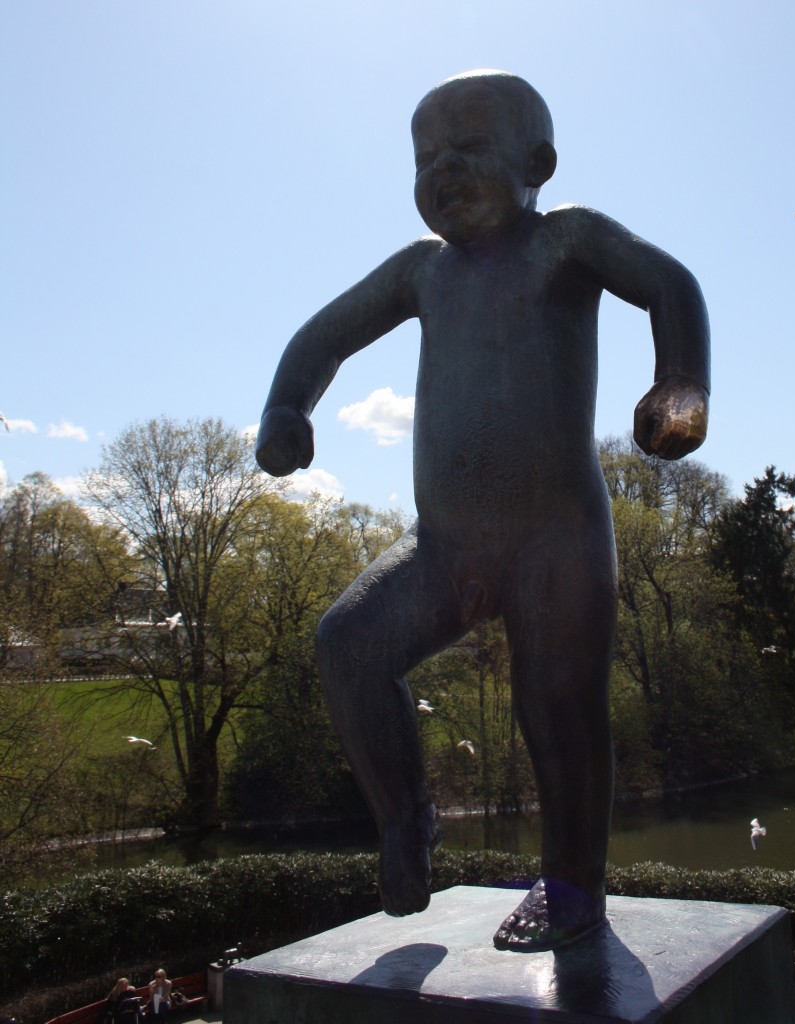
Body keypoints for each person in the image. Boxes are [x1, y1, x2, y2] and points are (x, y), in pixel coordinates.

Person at [255, 68, 710, 952]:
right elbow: (322, 336)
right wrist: (286, 409)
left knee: (557, 709)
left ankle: (572, 889)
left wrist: (680, 383)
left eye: (468, 149)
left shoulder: (566, 239)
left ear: (536, 162)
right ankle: (406, 819)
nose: (443, 171)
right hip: (445, 547)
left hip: (555, 539)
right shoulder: (421, 271)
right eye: (426, 157)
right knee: (347, 645)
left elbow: (669, 283)